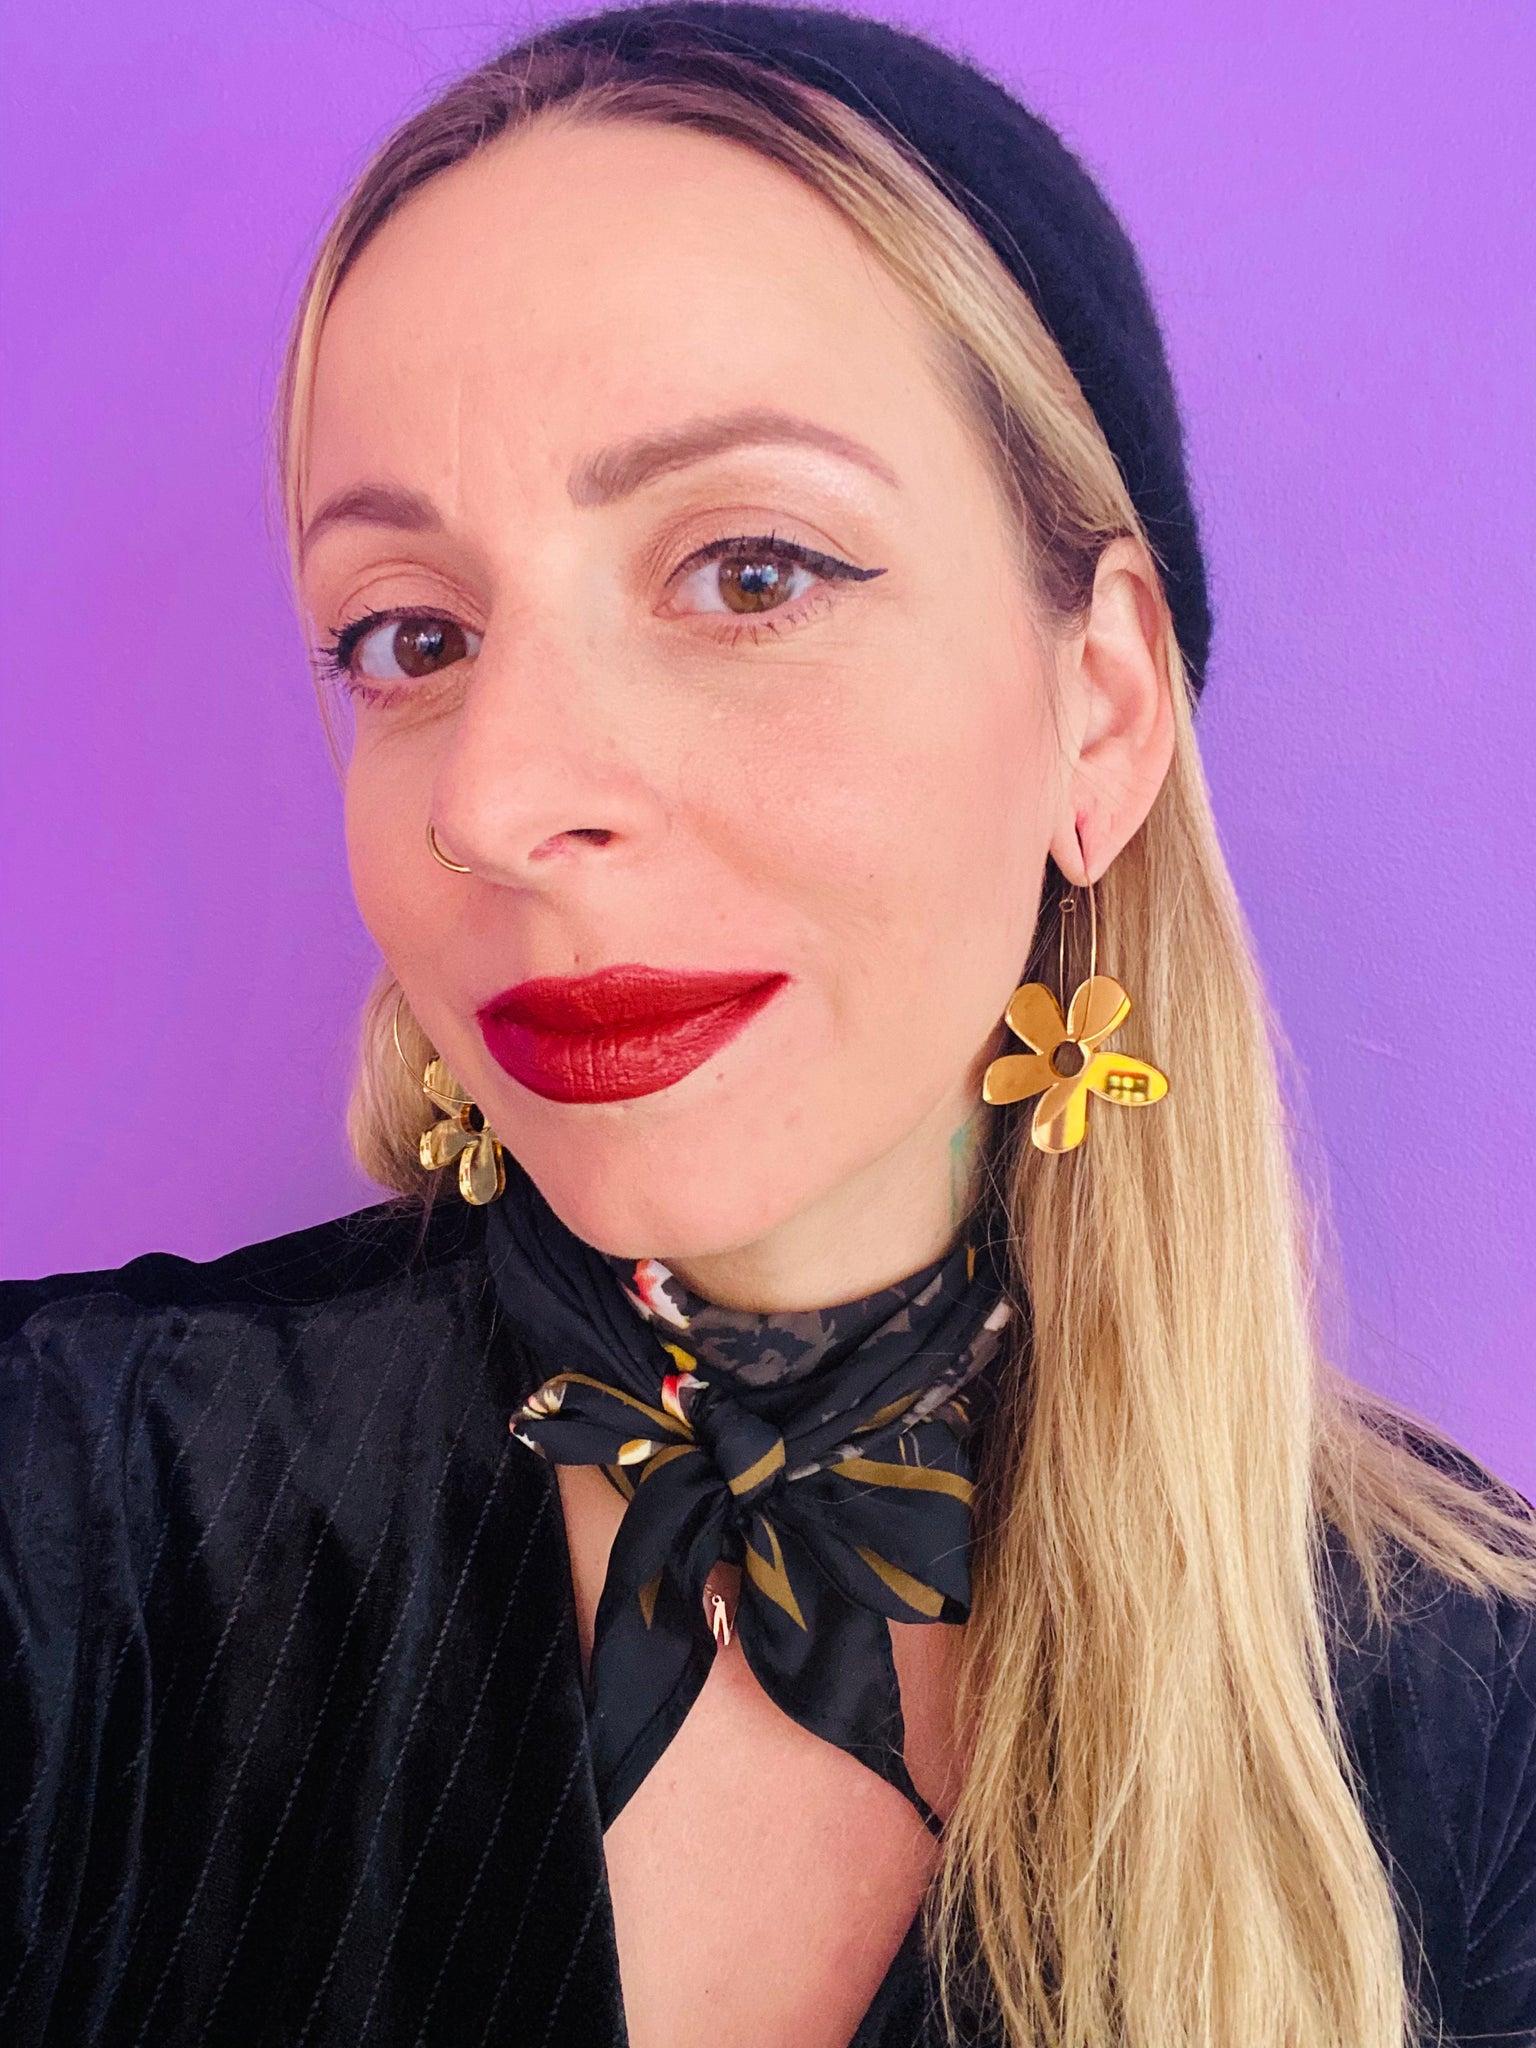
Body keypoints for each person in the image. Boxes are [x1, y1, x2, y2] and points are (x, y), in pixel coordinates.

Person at [3, 5, 1533, 2044]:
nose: (495, 798)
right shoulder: (66, 1499)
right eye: (410, 634)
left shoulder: (1475, 1703)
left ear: (1099, 713)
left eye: (748, 573)